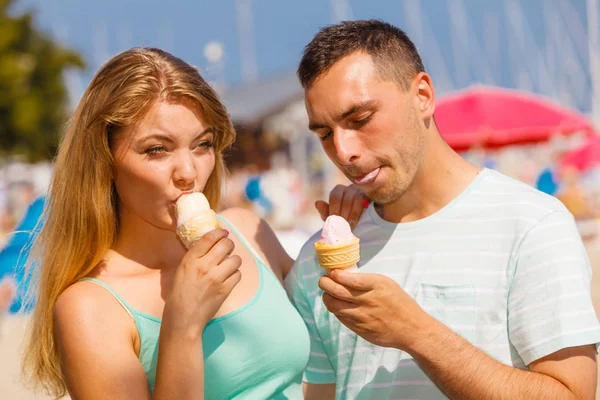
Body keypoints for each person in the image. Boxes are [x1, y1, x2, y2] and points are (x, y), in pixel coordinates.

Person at [21, 47, 367, 400]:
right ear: (104, 160)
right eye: (157, 149)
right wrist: (182, 326)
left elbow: (331, 357)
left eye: (202, 145)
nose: (188, 173)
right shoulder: (89, 308)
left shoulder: (247, 230)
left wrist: (340, 242)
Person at [285, 20, 600, 400]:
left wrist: (415, 331)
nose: (343, 150)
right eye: (324, 134)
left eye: (360, 119)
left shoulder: (531, 223)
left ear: (422, 95)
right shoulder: (317, 259)